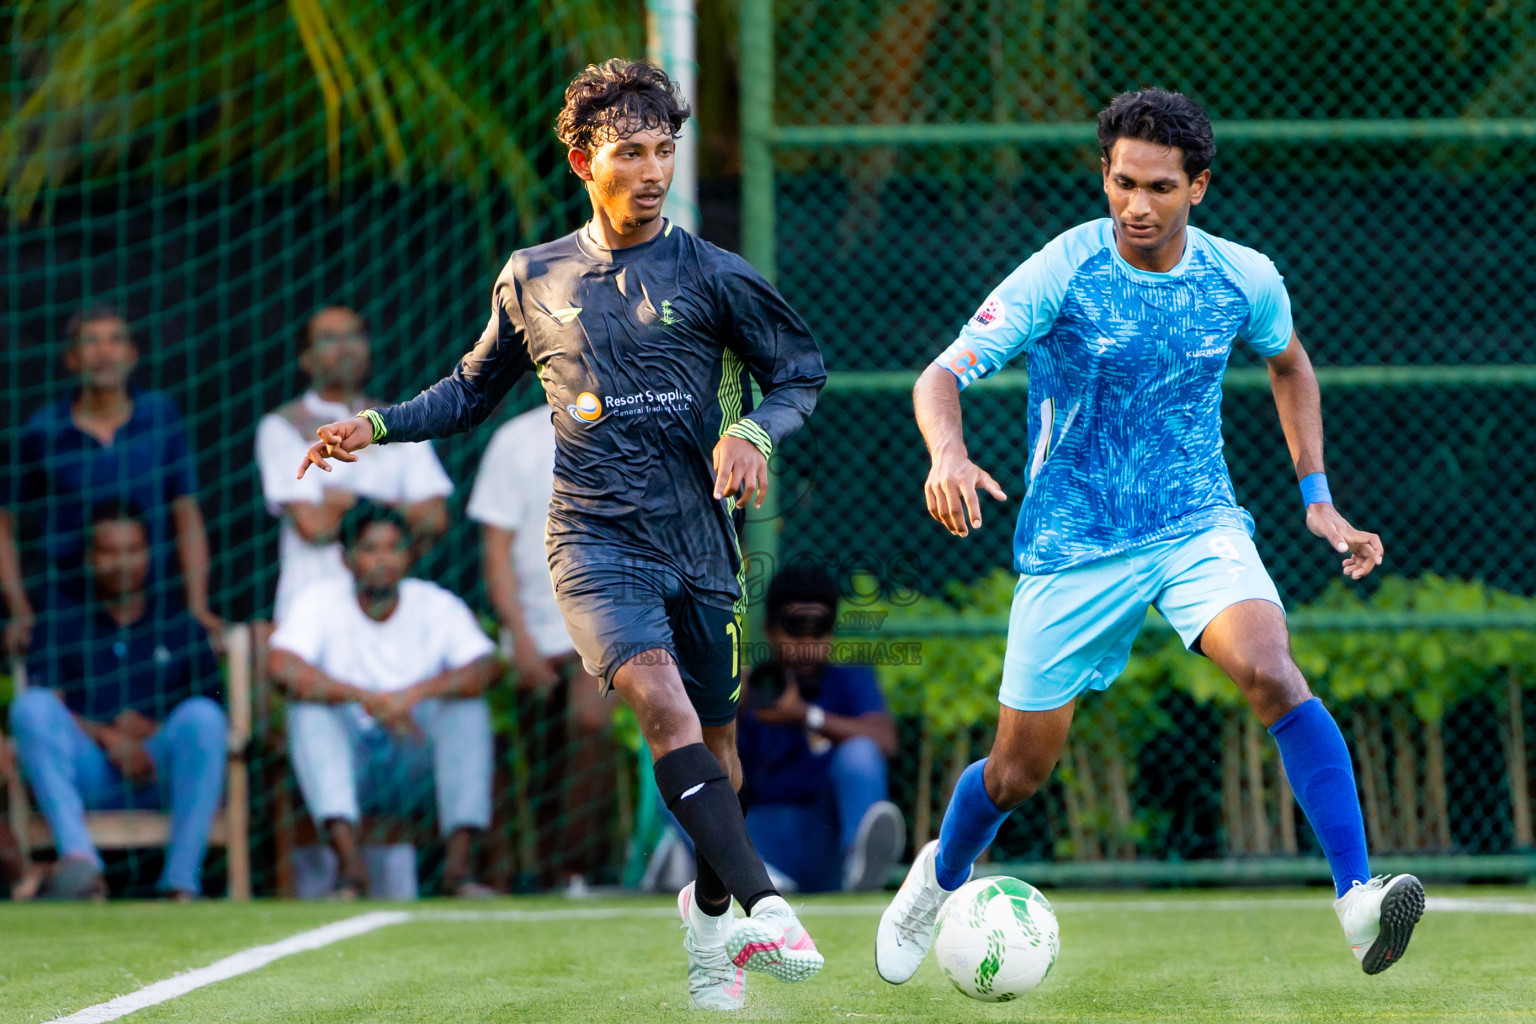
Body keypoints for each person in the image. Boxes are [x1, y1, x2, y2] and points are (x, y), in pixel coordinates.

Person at [297, 59, 827, 1009]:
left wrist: (750, 431)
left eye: (665, 149)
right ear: (586, 160)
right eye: (632, 151)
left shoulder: (716, 275)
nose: (654, 168)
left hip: (700, 545)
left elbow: (801, 374)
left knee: (722, 758)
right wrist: (373, 425)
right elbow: (470, 390)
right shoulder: (532, 275)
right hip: (590, 541)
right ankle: (767, 911)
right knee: (659, 704)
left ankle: (706, 924)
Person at [876, 89, 1423, 985]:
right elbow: (941, 375)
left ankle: (1358, 900)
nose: (1137, 205)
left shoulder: (1243, 277)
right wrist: (947, 455)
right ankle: (939, 874)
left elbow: (1289, 362)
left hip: (1196, 522)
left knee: (1271, 669)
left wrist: (1317, 498)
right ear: (1104, 175)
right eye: (1122, 182)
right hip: (1072, 545)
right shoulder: (1063, 268)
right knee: (1018, 773)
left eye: (1160, 187)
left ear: (1198, 187)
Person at [266, 502, 501, 899]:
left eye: (393, 548)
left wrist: (412, 696)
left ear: (408, 555)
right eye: (370, 549)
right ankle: (350, 872)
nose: (383, 560)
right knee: (308, 712)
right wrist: (366, 698)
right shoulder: (319, 600)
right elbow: (280, 665)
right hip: (352, 765)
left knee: (466, 710)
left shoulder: (435, 603)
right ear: (345, 557)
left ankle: (458, 873)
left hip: (415, 764)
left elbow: (487, 667)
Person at [7, 501, 227, 900]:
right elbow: (51, 705)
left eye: (131, 550)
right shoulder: (61, 618)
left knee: (204, 717)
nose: (121, 562)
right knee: (31, 707)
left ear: (148, 552)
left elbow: (213, 703)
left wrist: (153, 732)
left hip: (160, 772)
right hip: (91, 772)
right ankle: (83, 869)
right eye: (108, 551)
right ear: (90, 557)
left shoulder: (180, 622)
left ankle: (181, 885)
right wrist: (107, 737)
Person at [1, 306, 221, 657]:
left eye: (115, 340)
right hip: (67, 610)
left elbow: (186, 513)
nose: (104, 352)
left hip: (153, 606)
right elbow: (4, 520)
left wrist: (197, 606)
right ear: (71, 358)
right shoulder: (42, 431)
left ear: (133, 354)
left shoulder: (160, 415)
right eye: (91, 341)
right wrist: (20, 612)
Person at [468, 406, 611, 893]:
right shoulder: (514, 439)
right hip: (531, 632)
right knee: (537, 754)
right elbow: (495, 550)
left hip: (605, 626)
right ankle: (529, 872)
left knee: (589, 720)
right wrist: (521, 640)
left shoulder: (627, 428)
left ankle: (574, 870)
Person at [256, 306, 452, 622]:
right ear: (305, 358)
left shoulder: (401, 421)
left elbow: (435, 519)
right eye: (330, 339)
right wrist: (397, 509)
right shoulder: (282, 426)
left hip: (393, 612)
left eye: (354, 335)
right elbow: (314, 526)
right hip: (311, 612)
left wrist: (344, 500)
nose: (346, 347)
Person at [737, 564, 904, 893]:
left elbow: (886, 740)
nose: (808, 645)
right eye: (796, 632)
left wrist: (805, 715)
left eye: (819, 633)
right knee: (683, 762)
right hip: (755, 844)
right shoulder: (750, 687)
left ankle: (860, 865)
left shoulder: (848, 678)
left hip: (825, 838)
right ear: (770, 630)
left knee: (861, 751)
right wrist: (726, 706)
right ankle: (731, 871)